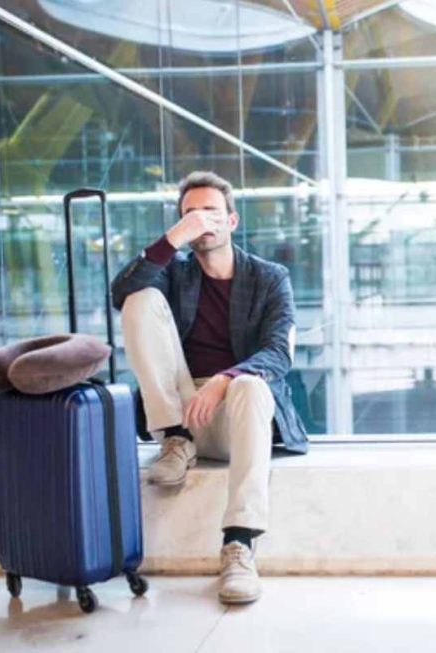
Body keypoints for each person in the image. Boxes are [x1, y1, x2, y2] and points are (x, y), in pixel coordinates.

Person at [111, 171, 308, 605]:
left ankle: (239, 544)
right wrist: (174, 238)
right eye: (190, 214)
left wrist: (224, 379)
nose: (201, 221)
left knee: (254, 386)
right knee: (139, 298)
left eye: (210, 213)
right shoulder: (173, 274)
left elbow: (279, 352)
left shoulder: (270, 278)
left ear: (232, 221)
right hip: (180, 410)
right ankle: (176, 440)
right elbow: (121, 291)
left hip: (237, 413)